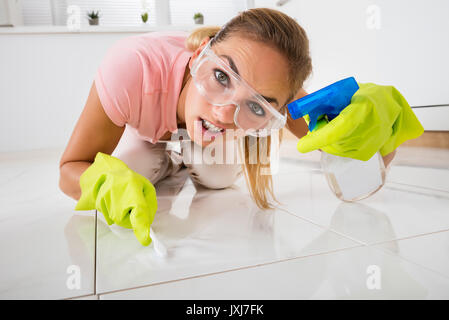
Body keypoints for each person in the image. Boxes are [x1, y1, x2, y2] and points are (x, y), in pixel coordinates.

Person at [58, 8, 423, 246]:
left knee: (217, 177)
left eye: (255, 105)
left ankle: (187, 161)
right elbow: (69, 167)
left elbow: (348, 170)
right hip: (148, 136)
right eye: (221, 76)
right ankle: (168, 162)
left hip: (212, 149)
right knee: (136, 167)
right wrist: (98, 181)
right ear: (201, 53)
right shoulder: (131, 67)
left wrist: (383, 133)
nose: (223, 112)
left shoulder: (277, 97)